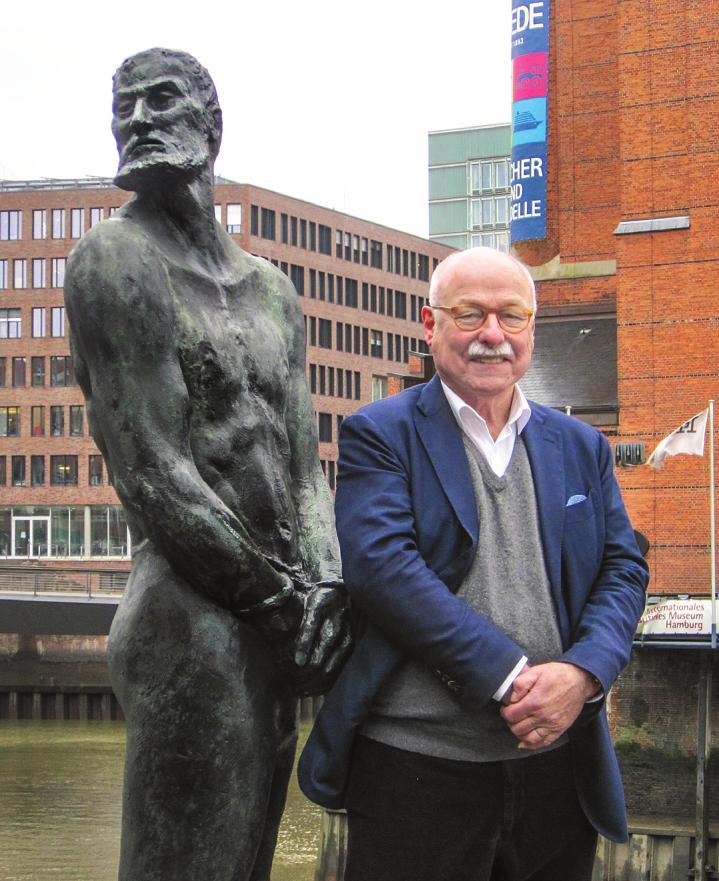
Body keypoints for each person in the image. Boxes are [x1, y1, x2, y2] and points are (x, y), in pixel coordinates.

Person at [64, 48, 350, 881]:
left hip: (269, 622)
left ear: (210, 125)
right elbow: (151, 470)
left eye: (160, 101)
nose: (138, 120)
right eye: (124, 108)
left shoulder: (272, 292)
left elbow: (303, 465)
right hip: (188, 622)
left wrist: (327, 585)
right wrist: (281, 602)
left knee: (248, 858)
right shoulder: (113, 261)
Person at [299, 246, 648, 881]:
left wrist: (584, 673)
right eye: (470, 315)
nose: (493, 334)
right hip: (417, 773)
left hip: (555, 772)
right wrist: (509, 676)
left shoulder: (581, 446)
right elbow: (383, 569)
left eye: (511, 316)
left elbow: (623, 568)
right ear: (430, 326)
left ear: (530, 330)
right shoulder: (381, 433)